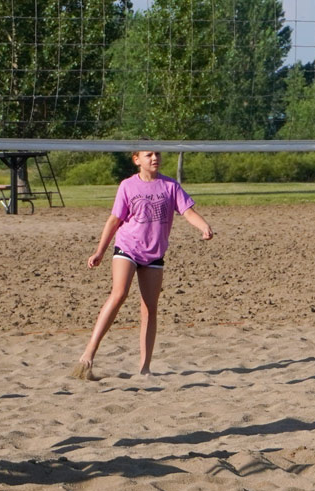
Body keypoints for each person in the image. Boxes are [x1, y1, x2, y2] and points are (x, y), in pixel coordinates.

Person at [71, 149, 213, 381]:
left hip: (154, 253)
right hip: (128, 247)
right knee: (119, 294)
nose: (154, 158)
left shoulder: (170, 186)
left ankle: (145, 368)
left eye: (157, 154)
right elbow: (115, 220)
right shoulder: (127, 185)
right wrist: (100, 251)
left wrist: (204, 226)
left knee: (149, 308)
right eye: (148, 155)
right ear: (137, 160)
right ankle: (88, 354)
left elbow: (188, 211)